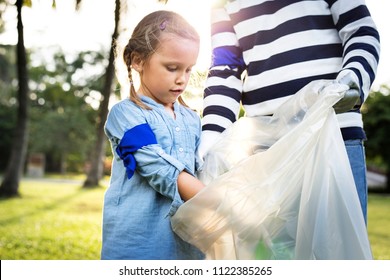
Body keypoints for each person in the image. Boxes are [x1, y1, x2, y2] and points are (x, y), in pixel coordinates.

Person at [199, 0, 380, 223]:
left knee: (339, 244)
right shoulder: (223, 4)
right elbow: (225, 69)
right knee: (274, 252)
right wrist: (213, 134)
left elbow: (360, 31)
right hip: (267, 148)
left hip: (335, 133)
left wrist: (353, 76)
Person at [101, 10, 205, 260]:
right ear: (137, 60)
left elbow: (204, 169)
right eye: (172, 68)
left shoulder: (193, 119)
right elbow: (155, 164)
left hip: (186, 249)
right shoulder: (125, 115)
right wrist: (213, 200)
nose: (182, 79)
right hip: (137, 248)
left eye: (189, 70)